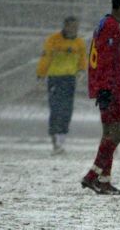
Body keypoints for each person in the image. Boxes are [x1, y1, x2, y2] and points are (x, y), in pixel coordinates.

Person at [82, 0, 120, 195]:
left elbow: (107, 60)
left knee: (108, 134)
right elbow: (105, 60)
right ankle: (92, 175)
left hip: (112, 86)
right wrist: (107, 88)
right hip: (110, 88)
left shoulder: (103, 25)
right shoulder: (111, 28)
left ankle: (104, 181)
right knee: (118, 131)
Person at [36, 16, 86, 155]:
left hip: (70, 79)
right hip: (55, 78)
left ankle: (62, 139)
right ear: (65, 26)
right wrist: (41, 74)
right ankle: (55, 140)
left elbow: (82, 58)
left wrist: (81, 70)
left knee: (67, 110)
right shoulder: (54, 40)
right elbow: (45, 57)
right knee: (55, 109)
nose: (74, 29)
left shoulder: (79, 42)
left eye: (76, 27)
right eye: (71, 26)